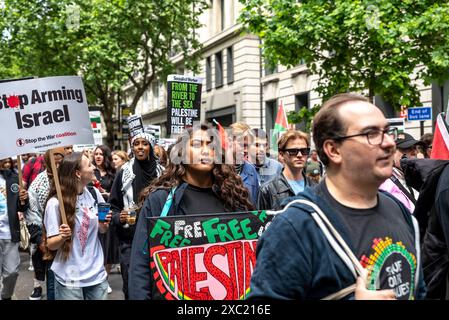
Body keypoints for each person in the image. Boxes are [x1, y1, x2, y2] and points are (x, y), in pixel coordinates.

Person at [249, 93, 426, 300]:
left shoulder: (400, 210)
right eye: (371, 133)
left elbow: (419, 291)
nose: (388, 143)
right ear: (333, 150)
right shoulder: (295, 228)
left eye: (387, 132)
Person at [128, 124, 255, 299]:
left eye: (211, 145)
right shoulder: (161, 201)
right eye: (196, 145)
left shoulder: (233, 198)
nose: (205, 151)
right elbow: (140, 265)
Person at [43, 152, 111, 300]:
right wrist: (62, 237)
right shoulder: (55, 204)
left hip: (96, 274)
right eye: (89, 165)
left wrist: (103, 224)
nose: (94, 167)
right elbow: (51, 245)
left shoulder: (93, 193)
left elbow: (102, 229)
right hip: (70, 276)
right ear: (78, 173)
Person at [109, 132, 164, 299]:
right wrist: (120, 217)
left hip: (158, 239)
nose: (140, 147)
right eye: (136, 143)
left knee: (158, 287)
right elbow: (113, 206)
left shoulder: (162, 173)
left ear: (151, 147)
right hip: (130, 241)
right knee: (132, 286)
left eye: (144, 143)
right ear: (132, 147)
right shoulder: (123, 173)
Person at [25, 148, 65, 300]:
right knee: (53, 280)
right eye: (54, 157)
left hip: (71, 238)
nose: (58, 161)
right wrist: (40, 239)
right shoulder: (37, 185)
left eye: (60, 157)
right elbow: (32, 214)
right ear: (47, 160)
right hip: (49, 239)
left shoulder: (70, 178)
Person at [258, 130, 316, 211]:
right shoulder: (267, 190)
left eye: (304, 151)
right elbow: (261, 222)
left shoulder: (316, 188)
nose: (299, 155)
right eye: (293, 151)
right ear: (281, 155)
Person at [0, 158, 29, 300]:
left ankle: (5, 296)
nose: (6, 164)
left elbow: (22, 207)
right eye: (2, 161)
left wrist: (24, 199)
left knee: (12, 272)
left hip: (10, 233)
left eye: (8, 161)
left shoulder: (14, 178)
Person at [91, 145, 118, 294]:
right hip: (94, 212)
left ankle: (105, 278)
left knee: (107, 246)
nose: (98, 157)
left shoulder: (113, 173)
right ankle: (97, 277)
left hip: (108, 212)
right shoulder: (91, 172)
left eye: (101, 154)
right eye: (96, 154)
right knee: (97, 245)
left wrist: (105, 193)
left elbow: (115, 194)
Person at [379, 132, 423, 213]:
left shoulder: (418, 174)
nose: (414, 152)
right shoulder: (384, 182)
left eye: (415, 148)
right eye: (406, 148)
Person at [229, 122, 260, 205]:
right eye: (243, 145)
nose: (246, 150)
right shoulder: (216, 170)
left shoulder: (251, 170)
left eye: (248, 146)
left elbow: (255, 206)